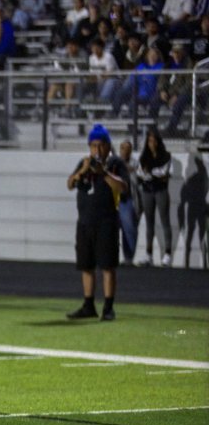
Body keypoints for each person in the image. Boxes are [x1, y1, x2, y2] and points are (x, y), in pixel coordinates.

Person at [66, 124, 126, 321]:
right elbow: (70, 184)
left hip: (106, 221)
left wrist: (103, 173)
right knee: (86, 266)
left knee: (107, 266)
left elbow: (123, 188)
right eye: (93, 146)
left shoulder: (115, 163)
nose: (97, 150)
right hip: (85, 222)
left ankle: (108, 308)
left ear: (108, 146)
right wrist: (82, 171)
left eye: (101, 145)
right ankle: (88, 305)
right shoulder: (84, 162)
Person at [136, 127, 173, 267]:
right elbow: (140, 174)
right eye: (150, 141)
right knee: (149, 222)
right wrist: (152, 174)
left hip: (161, 190)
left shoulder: (166, 156)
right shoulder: (144, 157)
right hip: (147, 191)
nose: (152, 144)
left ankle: (167, 253)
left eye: (154, 141)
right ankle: (149, 254)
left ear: (158, 142)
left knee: (165, 221)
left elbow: (163, 172)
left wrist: (151, 173)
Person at [117, 140, 139, 266]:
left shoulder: (135, 163)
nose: (125, 151)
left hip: (127, 199)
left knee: (129, 228)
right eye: (123, 148)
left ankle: (128, 257)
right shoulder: (114, 162)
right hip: (114, 200)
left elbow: (137, 176)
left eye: (127, 149)